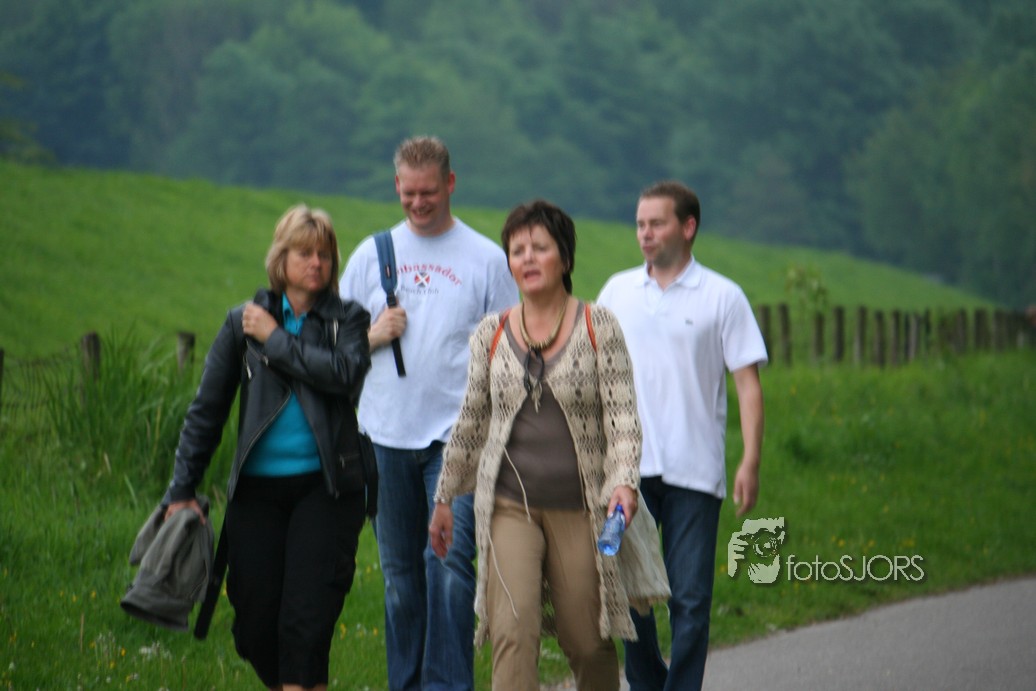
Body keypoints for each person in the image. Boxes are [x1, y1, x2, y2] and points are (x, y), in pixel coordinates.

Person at [429, 200, 669, 691]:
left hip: (582, 509)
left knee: (588, 641)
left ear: (565, 257)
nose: (528, 258)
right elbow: (471, 420)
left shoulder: (599, 327)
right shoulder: (491, 334)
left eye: (540, 247)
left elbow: (624, 419)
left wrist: (623, 482)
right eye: (518, 250)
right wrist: (445, 496)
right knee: (512, 634)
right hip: (508, 508)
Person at [162, 205, 374, 690]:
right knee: (254, 625)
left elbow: (344, 375)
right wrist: (181, 489)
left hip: (326, 490)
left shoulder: (348, 320)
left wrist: (276, 340)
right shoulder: (242, 323)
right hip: (256, 494)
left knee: (306, 621)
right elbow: (207, 411)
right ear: (281, 258)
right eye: (304, 253)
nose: (316, 263)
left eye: (324, 254)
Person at [339, 136, 518, 691]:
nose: (418, 203)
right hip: (383, 436)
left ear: (451, 184)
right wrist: (374, 335)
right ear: (397, 186)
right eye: (409, 193)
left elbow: (510, 351)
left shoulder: (485, 259)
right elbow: (336, 347)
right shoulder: (371, 256)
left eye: (429, 193)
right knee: (399, 577)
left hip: (457, 441)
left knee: (449, 569)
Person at [597, 181, 767, 691]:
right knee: (632, 593)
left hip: (695, 472)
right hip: (627, 474)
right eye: (640, 224)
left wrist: (750, 460)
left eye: (657, 223)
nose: (645, 234)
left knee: (690, 601)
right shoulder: (617, 292)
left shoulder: (723, 296)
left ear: (688, 227)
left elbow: (748, 384)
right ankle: (648, 684)